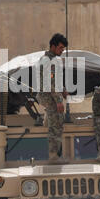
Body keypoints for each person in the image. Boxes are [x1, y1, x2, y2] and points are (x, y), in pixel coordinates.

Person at [37, 33, 68, 164]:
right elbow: (50, 83)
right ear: (53, 46)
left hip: (50, 95)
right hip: (49, 96)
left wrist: (63, 89)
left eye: (63, 48)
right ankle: (54, 155)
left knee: (54, 120)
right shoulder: (49, 61)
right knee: (56, 124)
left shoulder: (49, 59)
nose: (62, 51)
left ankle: (48, 118)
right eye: (60, 48)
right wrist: (58, 100)